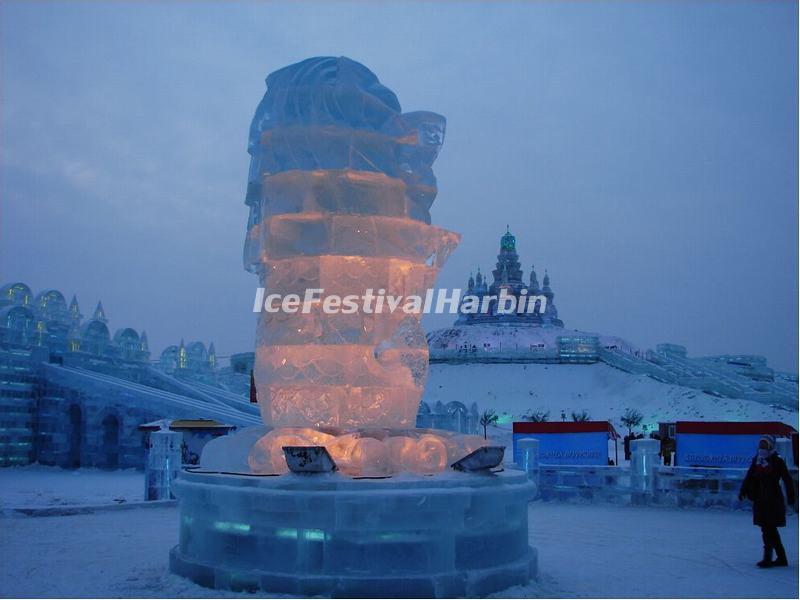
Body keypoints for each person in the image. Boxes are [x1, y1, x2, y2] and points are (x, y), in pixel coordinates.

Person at [739, 435, 795, 568]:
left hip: (772, 499)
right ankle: (780, 557)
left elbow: (787, 479)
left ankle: (768, 558)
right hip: (760, 499)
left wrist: (791, 496)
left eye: (765, 446)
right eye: (761, 445)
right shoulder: (757, 460)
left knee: (768, 529)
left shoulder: (777, 461)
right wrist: (743, 490)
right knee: (769, 529)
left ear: (771, 447)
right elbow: (749, 476)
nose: (762, 448)